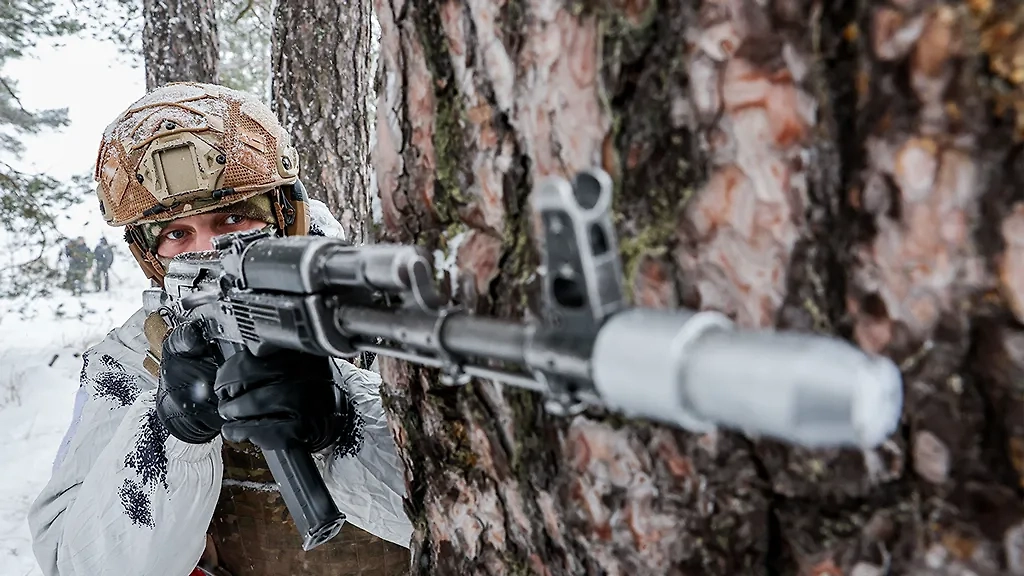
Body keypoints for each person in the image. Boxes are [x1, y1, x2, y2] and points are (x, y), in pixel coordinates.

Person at [28, 82, 413, 576]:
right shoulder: (128, 364)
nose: (207, 250)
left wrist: (345, 423)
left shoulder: (370, 310)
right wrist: (173, 428)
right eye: (176, 233)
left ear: (284, 218)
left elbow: (489, 519)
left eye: (232, 218)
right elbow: (74, 564)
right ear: (151, 257)